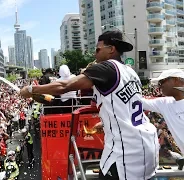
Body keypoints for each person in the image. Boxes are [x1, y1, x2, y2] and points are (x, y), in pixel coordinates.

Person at [20, 30, 158, 180]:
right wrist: (105, 121)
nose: (94, 54)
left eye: (98, 49)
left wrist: (31, 89)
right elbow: (125, 104)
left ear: (111, 49)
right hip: (147, 144)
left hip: (126, 151)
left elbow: (64, 86)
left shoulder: (106, 68)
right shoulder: (131, 73)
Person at [141, 69, 184, 170]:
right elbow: (138, 101)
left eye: (162, 82)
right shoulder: (165, 104)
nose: (160, 86)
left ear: (175, 80)